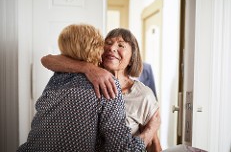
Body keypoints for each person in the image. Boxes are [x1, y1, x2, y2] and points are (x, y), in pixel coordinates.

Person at [17, 24, 159, 152]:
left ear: (132, 57)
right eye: (107, 43)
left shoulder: (143, 95)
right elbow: (47, 59)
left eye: (121, 45)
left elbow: (154, 144)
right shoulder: (75, 75)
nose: (112, 48)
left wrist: (152, 130)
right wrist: (88, 68)